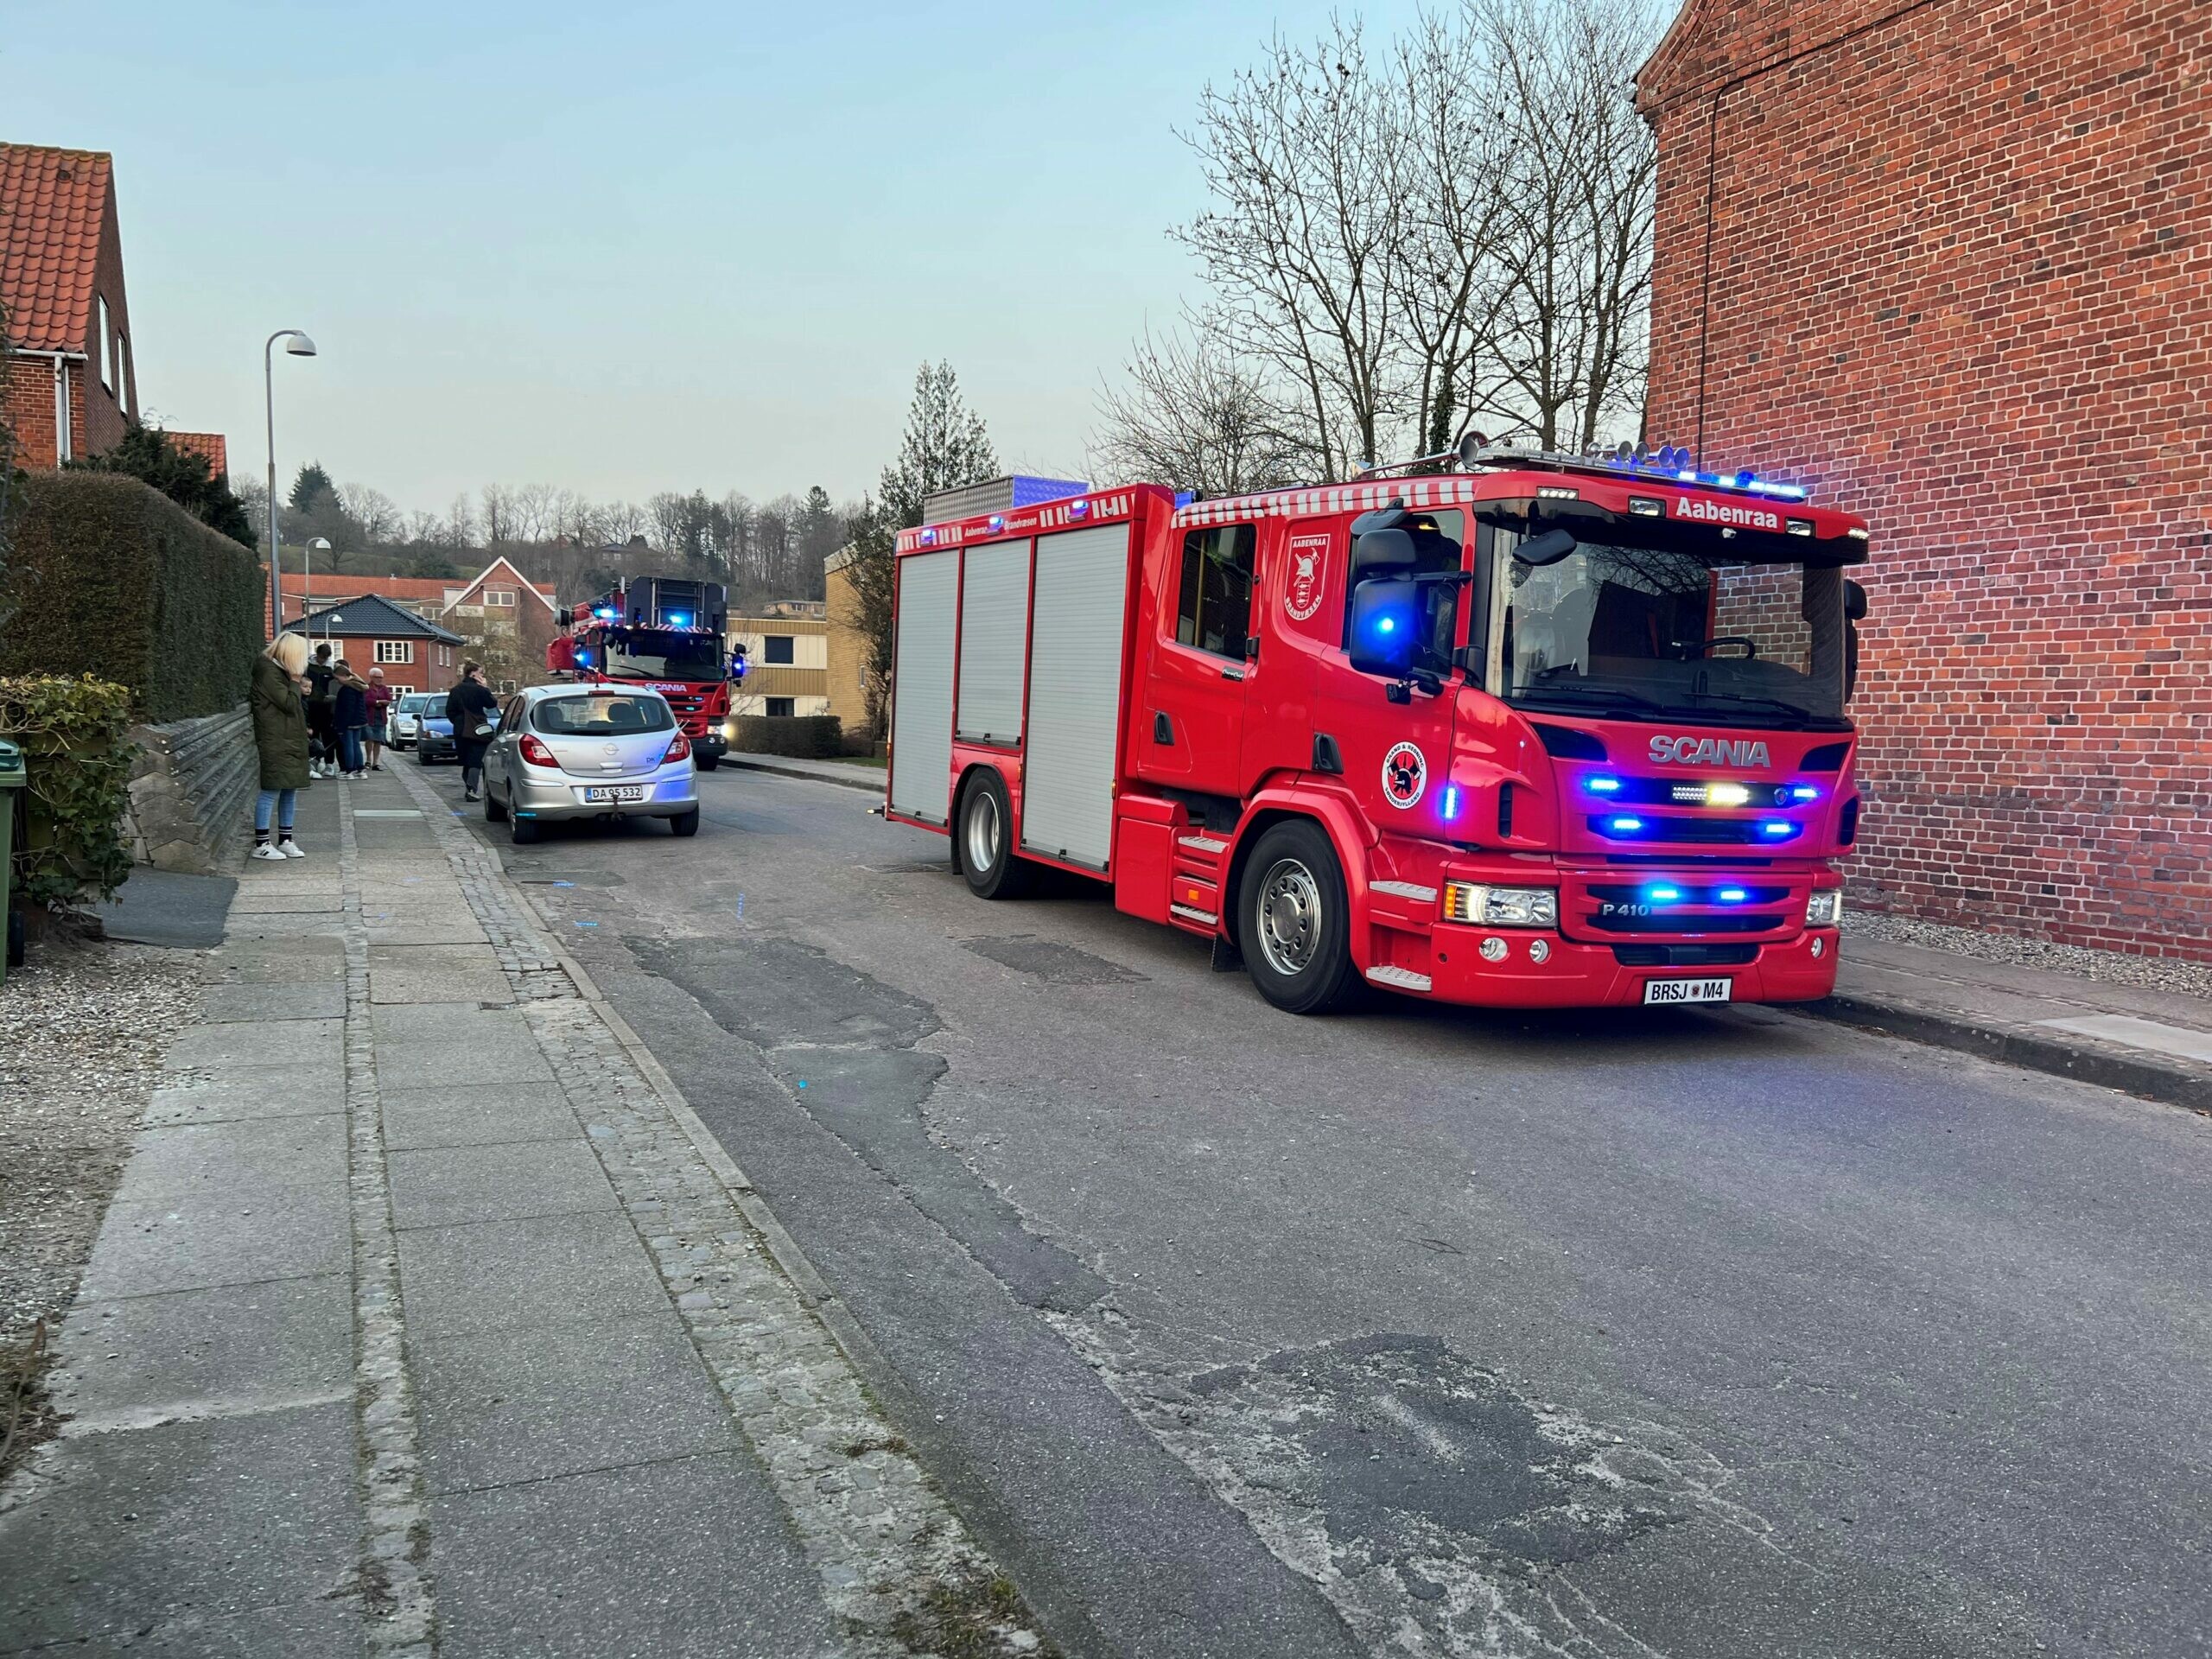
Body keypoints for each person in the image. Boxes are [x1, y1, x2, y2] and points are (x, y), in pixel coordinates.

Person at [250, 633, 313, 859]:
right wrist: (295, 681)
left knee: (289, 788)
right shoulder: (268, 671)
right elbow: (289, 704)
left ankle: (286, 839)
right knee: (271, 789)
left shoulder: (278, 671)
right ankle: (262, 843)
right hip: (275, 739)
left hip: (288, 738)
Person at [448, 660, 500, 801]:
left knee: (466, 760)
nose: (482, 675)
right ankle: (472, 790)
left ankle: (469, 788)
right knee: (476, 760)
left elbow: (449, 711)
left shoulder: (455, 690)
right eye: (481, 673)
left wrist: (459, 722)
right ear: (473, 673)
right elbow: (492, 704)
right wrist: (485, 687)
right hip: (478, 729)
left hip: (460, 729)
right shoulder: (480, 690)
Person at [305, 643, 338, 779]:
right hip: (311, 705)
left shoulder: (332, 668)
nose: (322, 660)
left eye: (325, 658)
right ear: (316, 654)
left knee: (328, 735)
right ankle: (314, 760)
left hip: (326, 706)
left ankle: (329, 763)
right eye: (320, 657)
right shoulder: (308, 666)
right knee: (313, 735)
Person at [333, 661, 370, 779]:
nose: (337, 681)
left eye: (338, 678)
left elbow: (346, 709)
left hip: (348, 722)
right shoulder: (357, 687)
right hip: (358, 721)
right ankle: (360, 769)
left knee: (348, 745)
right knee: (356, 745)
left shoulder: (347, 689)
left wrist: (341, 725)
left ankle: (349, 770)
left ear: (344, 676)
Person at [365, 667, 394, 771]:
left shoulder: (384, 688)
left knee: (378, 740)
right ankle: (368, 760)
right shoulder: (367, 687)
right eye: (377, 677)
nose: (380, 679)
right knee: (369, 738)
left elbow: (389, 699)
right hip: (369, 717)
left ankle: (375, 762)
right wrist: (378, 702)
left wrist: (379, 702)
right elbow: (367, 701)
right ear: (371, 677)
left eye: (381, 677)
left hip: (381, 717)